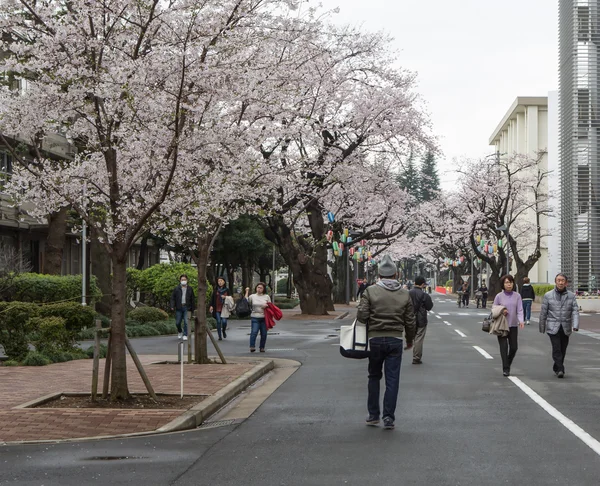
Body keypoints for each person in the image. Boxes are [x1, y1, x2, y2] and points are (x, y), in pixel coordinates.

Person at [357, 254, 416, 430]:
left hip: (374, 339)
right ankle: (388, 418)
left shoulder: (370, 291)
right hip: (395, 339)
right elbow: (410, 320)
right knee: (392, 380)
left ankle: (373, 415)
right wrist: (410, 339)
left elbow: (362, 316)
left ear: (379, 275)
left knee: (374, 376)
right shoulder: (405, 294)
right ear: (396, 275)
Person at [539, 273, 579, 378]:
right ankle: (561, 369)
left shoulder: (571, 296)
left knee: (563, 349)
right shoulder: (548, 295)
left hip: (566, 326)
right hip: (553, 326)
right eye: (558, 280)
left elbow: (575, 311)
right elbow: (543, 312)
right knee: (556, 348)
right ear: (555, 281)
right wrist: (542, 326)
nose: (560, 282)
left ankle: (556, 366)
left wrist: (575, 325)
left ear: (566, 283)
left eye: (562, 280)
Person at [492, 275, 524, 377]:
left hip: (513, 325)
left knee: (514, 347)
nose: (509, 284)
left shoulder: (517, 296)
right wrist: (502, 310)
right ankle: (505, 369)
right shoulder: (499, 296)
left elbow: (519, 309)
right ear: (503, 284)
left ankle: (508, 363)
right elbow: (494, 308)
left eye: (510, 282)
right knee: (504, 347)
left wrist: (521, 320)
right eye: (506, 282)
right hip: (501, 325)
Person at [409, 275, 434, 365]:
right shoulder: (424, 295)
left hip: (409, 318)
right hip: (421, 319)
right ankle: (416, 357)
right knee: (418, 338)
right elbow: (429, 307)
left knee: (412, 337)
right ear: (422, 284)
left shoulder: (408, 293)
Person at [245, 282, 271, 353]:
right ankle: (252, 346)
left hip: (264, 317)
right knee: (254, 332)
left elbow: (270, 305)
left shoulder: (266, 296)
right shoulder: (252, 296)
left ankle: (262, 347)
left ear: (263, 289)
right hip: (255, 316)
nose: (259, 289)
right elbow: (246, 301)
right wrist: (247, 291)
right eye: (258, 287)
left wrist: (266, 306)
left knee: (264, 333)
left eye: (261, 288)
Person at [170, 274, 195, 341]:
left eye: (184, 279)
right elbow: (172, 298)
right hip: (179, 307)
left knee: (186, 322)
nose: (183, 281)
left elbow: (193, 299)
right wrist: (172, 306)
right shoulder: (177, 288)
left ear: (187, 280)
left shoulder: (190, 288)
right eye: (182, 280)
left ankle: (185, 334)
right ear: (180, 280)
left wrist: (192, 309)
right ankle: (180, 331)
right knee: (177, 322)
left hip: (187, 307)